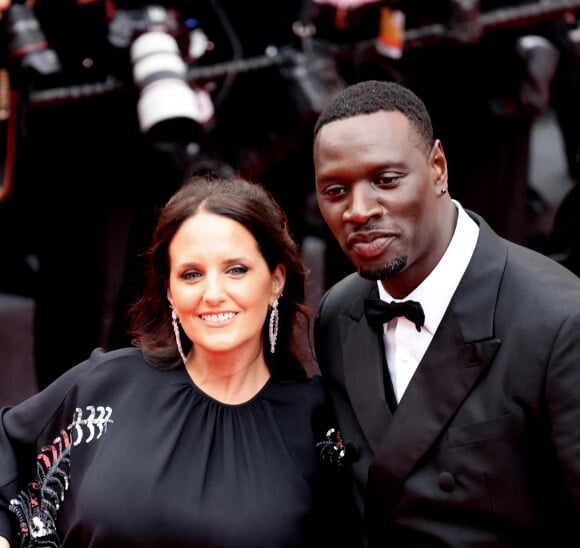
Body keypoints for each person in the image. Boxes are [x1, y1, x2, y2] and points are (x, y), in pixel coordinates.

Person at [0, 174, 356, 548]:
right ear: (170, 291)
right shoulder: (108, 383)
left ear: (276, 280)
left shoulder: (319, 422)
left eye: (236, 269)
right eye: (191, 274)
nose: (213, 293)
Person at [311, 79, 580, 546]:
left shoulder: (559, 320)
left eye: (386, 180)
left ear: (437, 168)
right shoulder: (338, 312)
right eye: (335, 190)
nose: (358, 210)